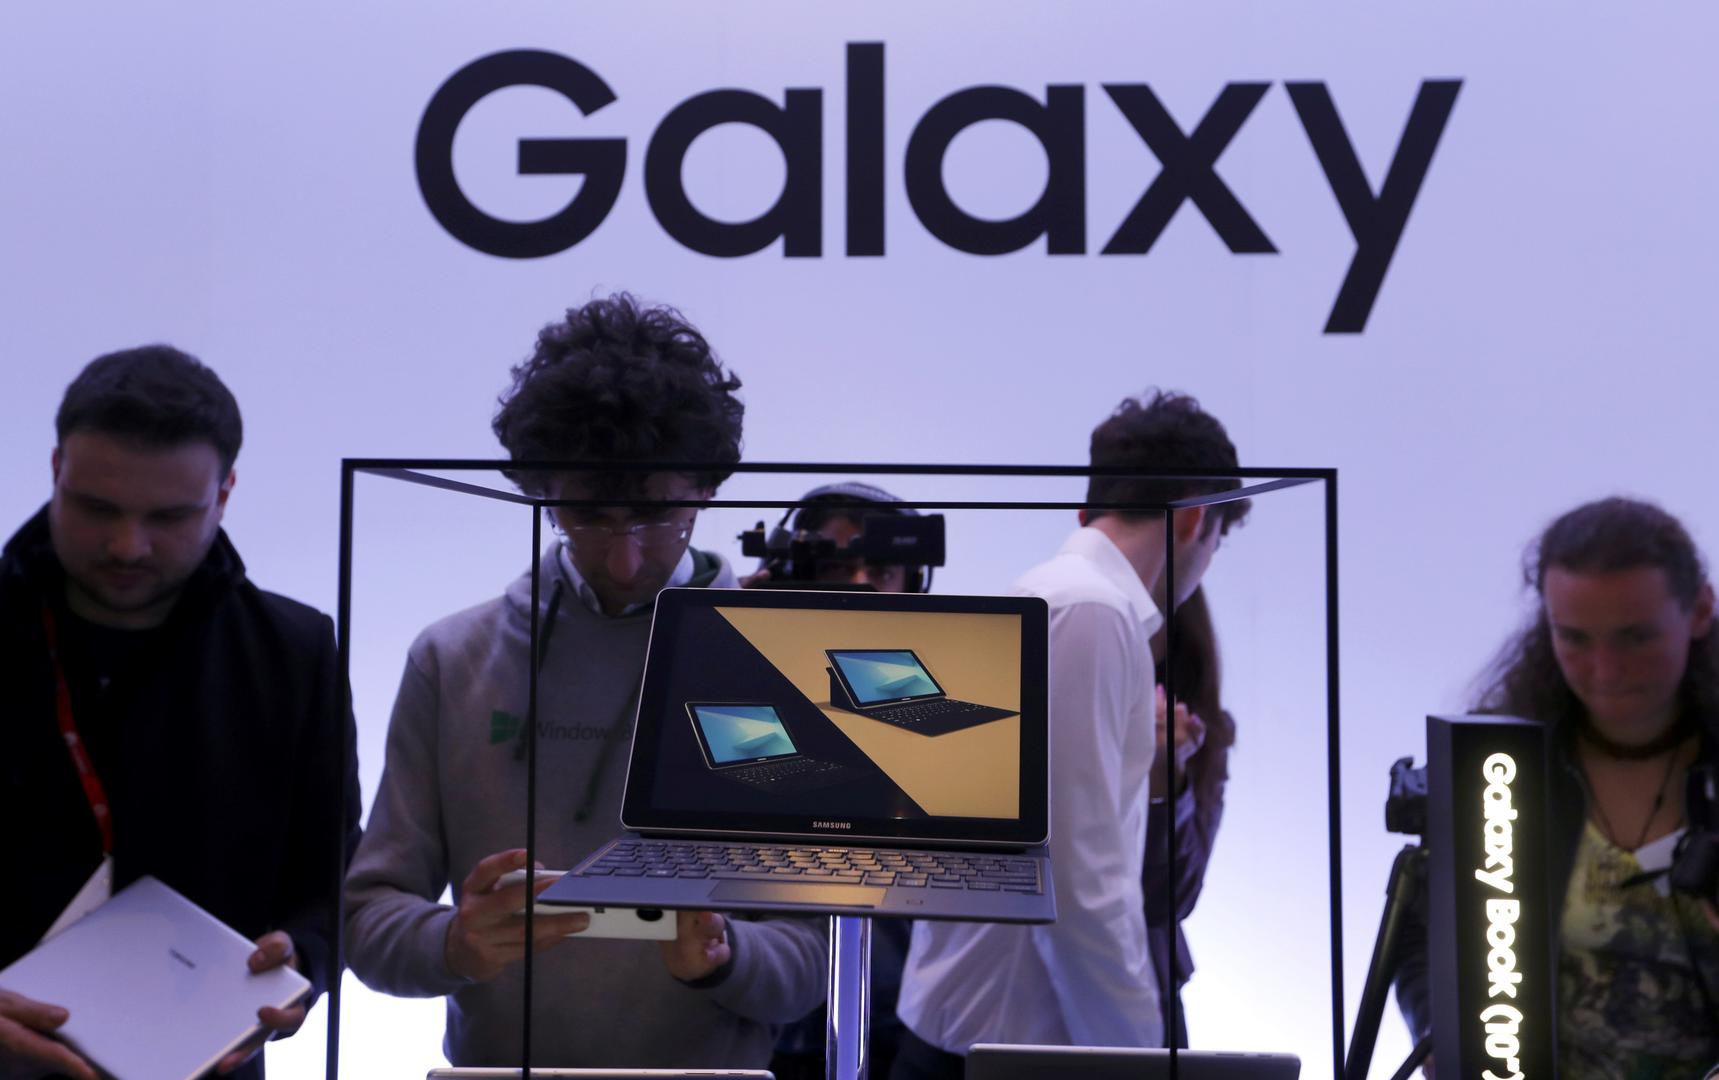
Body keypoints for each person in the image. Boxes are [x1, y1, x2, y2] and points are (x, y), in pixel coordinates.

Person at [343, 294, 827, 1068]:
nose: (624, 557)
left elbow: (811, 963)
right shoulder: (452, 660)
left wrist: (722, 956)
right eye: (589, 518)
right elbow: (368, 922)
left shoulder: (779, 661)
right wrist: (455, 943)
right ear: (542, 495)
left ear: (706, 489)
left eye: (655, 516)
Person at [0, 346, 359, 1080]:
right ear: (55, 470)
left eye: (168, 516)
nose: (127, 545)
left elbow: (333, 877)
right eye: (97, 508)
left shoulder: (294, 651)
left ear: (224, 494)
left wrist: (302, 958)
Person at [892, 390, 1245, 1078]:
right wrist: (1139, 1055)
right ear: (1195, 519)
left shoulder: (1061, 595)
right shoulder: (1091, 610)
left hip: (980, 1029)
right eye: (1219, 541)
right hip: (999, 1043)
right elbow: (1078, 878)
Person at [1396, 497, 1719, 1078]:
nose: (1606, 670)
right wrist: (1439, 1035)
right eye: (1574, 638)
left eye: (1635, 637)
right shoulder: (1499, 768)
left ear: (1700, 611)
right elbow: (1420, 936)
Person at [763, 482, 933, 1080]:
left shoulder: (952, 694)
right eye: (836, 567)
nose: (860, 584)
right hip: (770, 1008)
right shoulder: (748, 675)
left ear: (913, 581)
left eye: (881, 569)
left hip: (903, 1016)